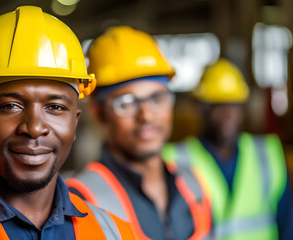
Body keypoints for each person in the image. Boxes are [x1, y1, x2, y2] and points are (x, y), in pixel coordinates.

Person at [0, 6, 138, 239]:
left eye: (55, 107)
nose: (34, 128)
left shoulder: (114, 233)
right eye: (11, 106)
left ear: (75, 123)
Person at [66, 25, 212, 240]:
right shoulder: (78, 201)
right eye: (126, 102)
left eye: (157, 98)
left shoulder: (193, 185)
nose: (147, 116)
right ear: (99, 113)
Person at [162, 58, 293, 240]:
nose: (228, 113)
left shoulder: (268, 153)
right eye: (218, 105)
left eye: (234, 104)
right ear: (202, 109)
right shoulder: (175, 157)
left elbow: (288, 223)